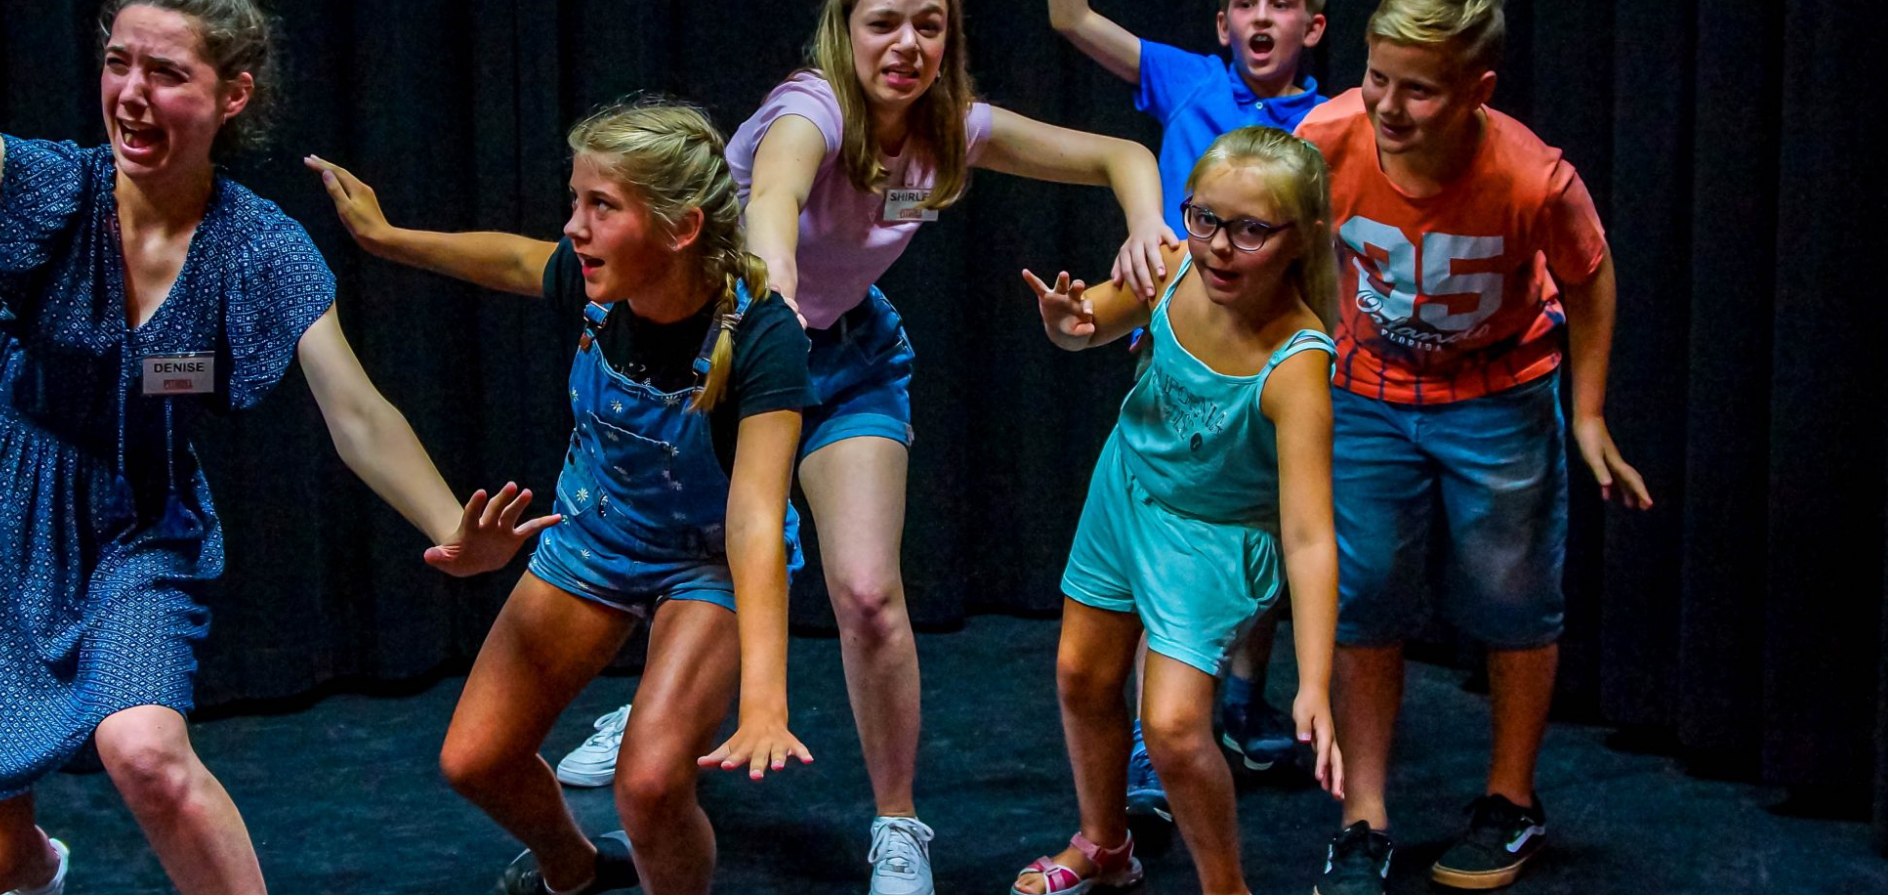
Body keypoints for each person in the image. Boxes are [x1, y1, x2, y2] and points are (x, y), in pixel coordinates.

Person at [0, 2, 551, 893]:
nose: (132, 95)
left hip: (139, 521)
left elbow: (358, 411)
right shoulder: (53, 187)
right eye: (118, 64)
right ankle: (41, 865)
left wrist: (455, 523)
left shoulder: (260, 245)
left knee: (144, 749)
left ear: (233, 96)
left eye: (167, 73)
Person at [557, 4, 1174, 891]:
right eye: (885, 21)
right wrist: (773, 302)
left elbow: (1123, 155)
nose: (909, 45)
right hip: (735, 353)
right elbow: (772, 199)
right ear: (844, 31)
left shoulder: (950, 128)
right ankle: (655, 712)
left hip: (848, 358)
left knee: (870, 592)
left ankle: (897, 822)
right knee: (693, 558)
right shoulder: (812, 109)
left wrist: (1146, 222)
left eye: (930, 24)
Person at [306, 97, 812, 895]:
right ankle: (574, 867)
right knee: (474, 759)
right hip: (597, 540)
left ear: (679, 228)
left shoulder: (763, 335)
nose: (573, 227)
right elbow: (511, 259)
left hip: (709, 563)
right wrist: (387, 238)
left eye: (600, 207)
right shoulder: (597, 287)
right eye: (575, 201)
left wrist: (765, 699)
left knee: (648, 787)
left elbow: (753, 518)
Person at [1294, 2, 1653, 892]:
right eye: (1378, 77)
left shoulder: (1532, 178)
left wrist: (1591, 411)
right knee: (1365, 590)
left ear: (1476, 91)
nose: (1389, 106)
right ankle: (1364, 817)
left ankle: (1510, 801)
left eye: (1419, 90)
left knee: (1511, 593)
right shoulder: (1327, 139)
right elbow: (1288, 252)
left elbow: (1590, 275)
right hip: (1369, 397)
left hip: (1497, 397)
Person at [1009, 126, 1343, 895]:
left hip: (1214, 542)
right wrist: (1064, 320)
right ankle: (1105, 844)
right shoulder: (1174, 263)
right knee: (1083, 675)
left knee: (1173, 727)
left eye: (1252, 230)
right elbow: (1087, 322)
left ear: (1302, 239)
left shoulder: (1297, 364)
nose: (1221, 246)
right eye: (1205, 218)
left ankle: (1226, 886)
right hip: (1125, 490)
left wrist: (1315, 680)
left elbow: (1310, 536)